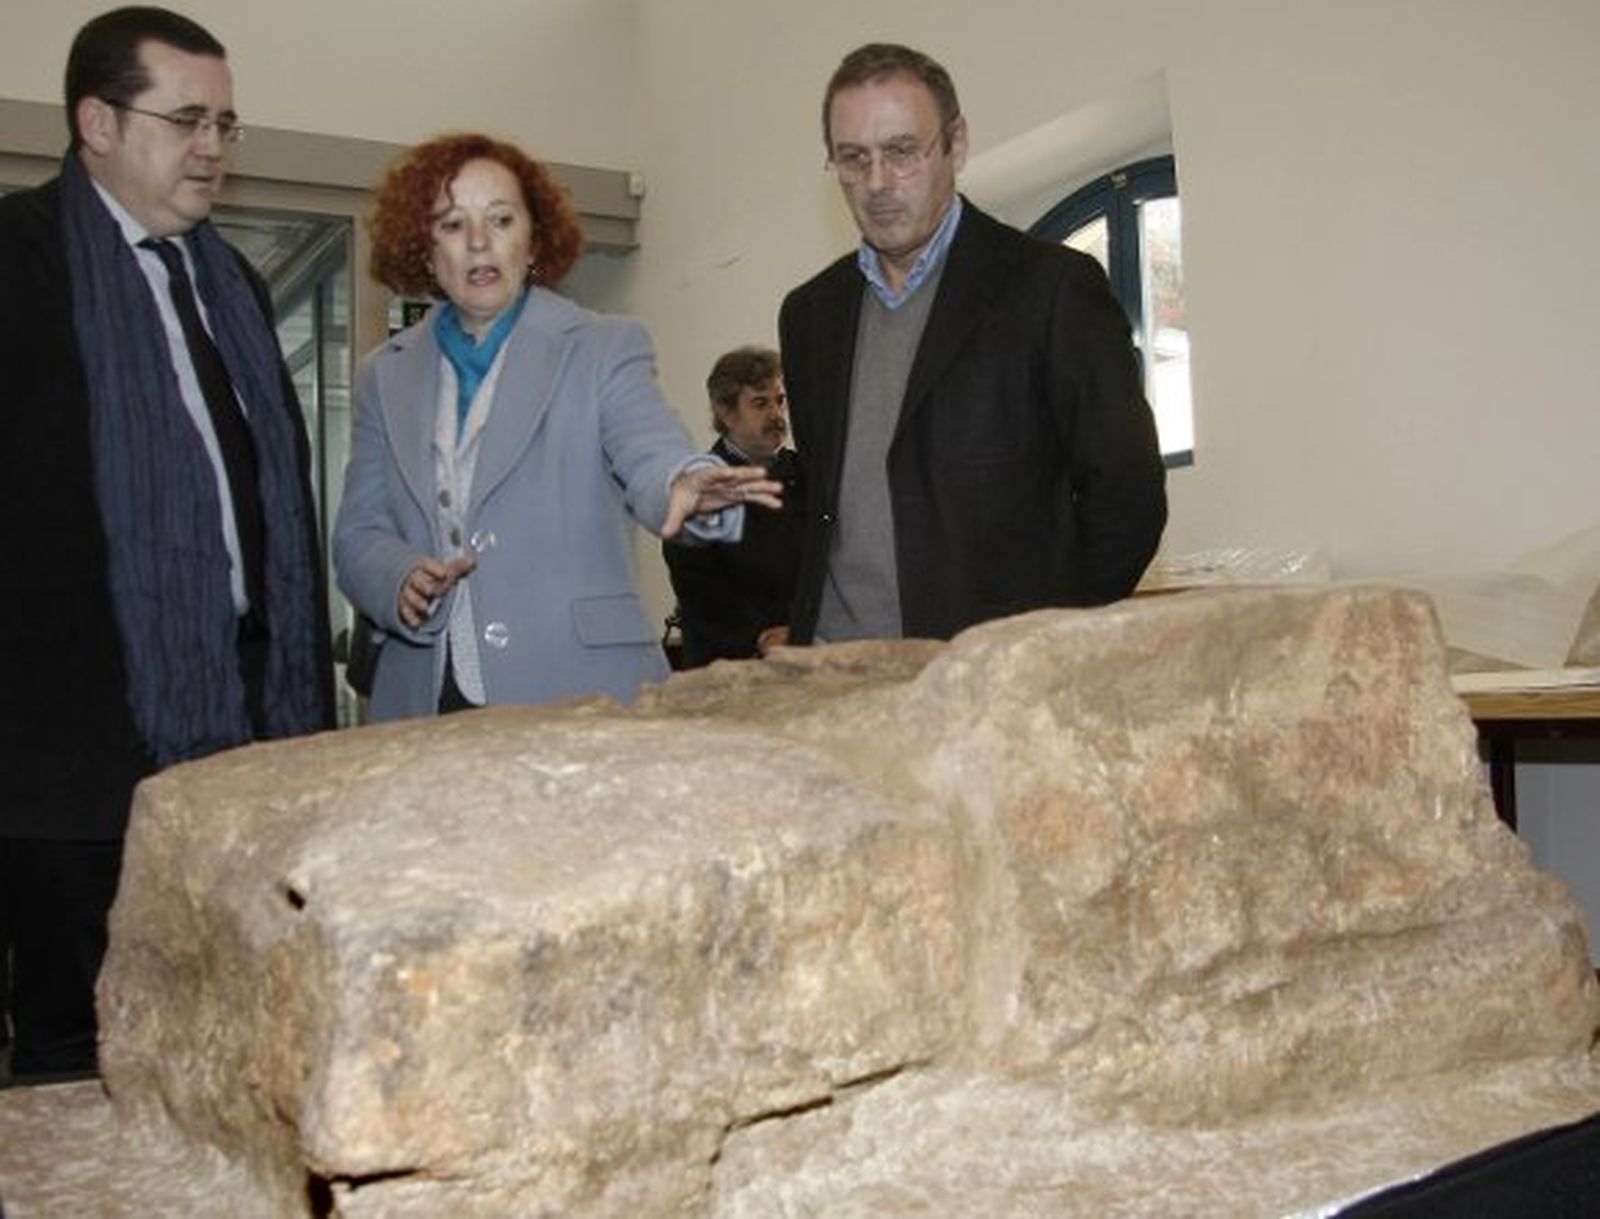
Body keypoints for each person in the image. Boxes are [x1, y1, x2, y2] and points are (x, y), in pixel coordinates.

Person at [0, 6, 333, 1083]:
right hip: (67, 759)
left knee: (235, 1043)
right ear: (96, 120)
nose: (212, 147)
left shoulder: (230, 280)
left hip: (236, 739)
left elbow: (275, 511)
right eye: (185, 118)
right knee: (74, 1059)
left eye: (226, 124)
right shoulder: (16, 260)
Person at [334, 134, 780, 720]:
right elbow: (358, 535)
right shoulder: (381, 376)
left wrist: (686, 483)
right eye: (450, 224)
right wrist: (398, 579)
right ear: (423, 248)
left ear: (533, 237)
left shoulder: (602, 346)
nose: (477, 242)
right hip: (424, 697)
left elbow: (649, 447)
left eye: (500, 219)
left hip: (580, 689)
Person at [779, 43, 1168, 645]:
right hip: (835, 670)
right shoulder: (809, 315)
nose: (877, 182)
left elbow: (1128, 497)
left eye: (902, 151)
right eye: (853, 159)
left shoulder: (1051, 289)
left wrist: (1047, 646)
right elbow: (825, 506)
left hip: (988, 680)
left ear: (956, 145)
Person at [663, 346, 807, 666]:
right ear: (726, 412)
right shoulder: (699, 488)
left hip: (807, 651)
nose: (776, 415)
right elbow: (697, 587)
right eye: (760, 403)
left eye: (779, 400)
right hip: (732, 664)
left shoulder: (808, 475)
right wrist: (759, 635)